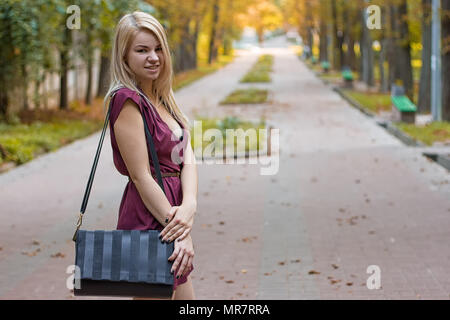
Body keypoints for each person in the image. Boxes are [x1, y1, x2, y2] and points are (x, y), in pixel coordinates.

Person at [104, 11, 197, 300]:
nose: (154, 57)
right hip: (150, 218)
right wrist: (180, 230)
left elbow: (188, 159)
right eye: (142, 50)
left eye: (158, 49)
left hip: (173, 214)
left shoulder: (164, 98)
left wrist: (190, 206)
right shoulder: (127, 100)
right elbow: (141, 176)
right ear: (124, 56)